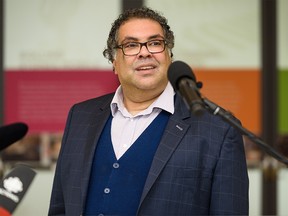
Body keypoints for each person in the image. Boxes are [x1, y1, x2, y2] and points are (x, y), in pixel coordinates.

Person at [48, 7, 249, 216]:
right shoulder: (81, 117)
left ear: (169, 56)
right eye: (131, 45)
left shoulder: (218, 129)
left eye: (155, 43)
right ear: (114, 63)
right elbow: (60, 207)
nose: (145, 52)